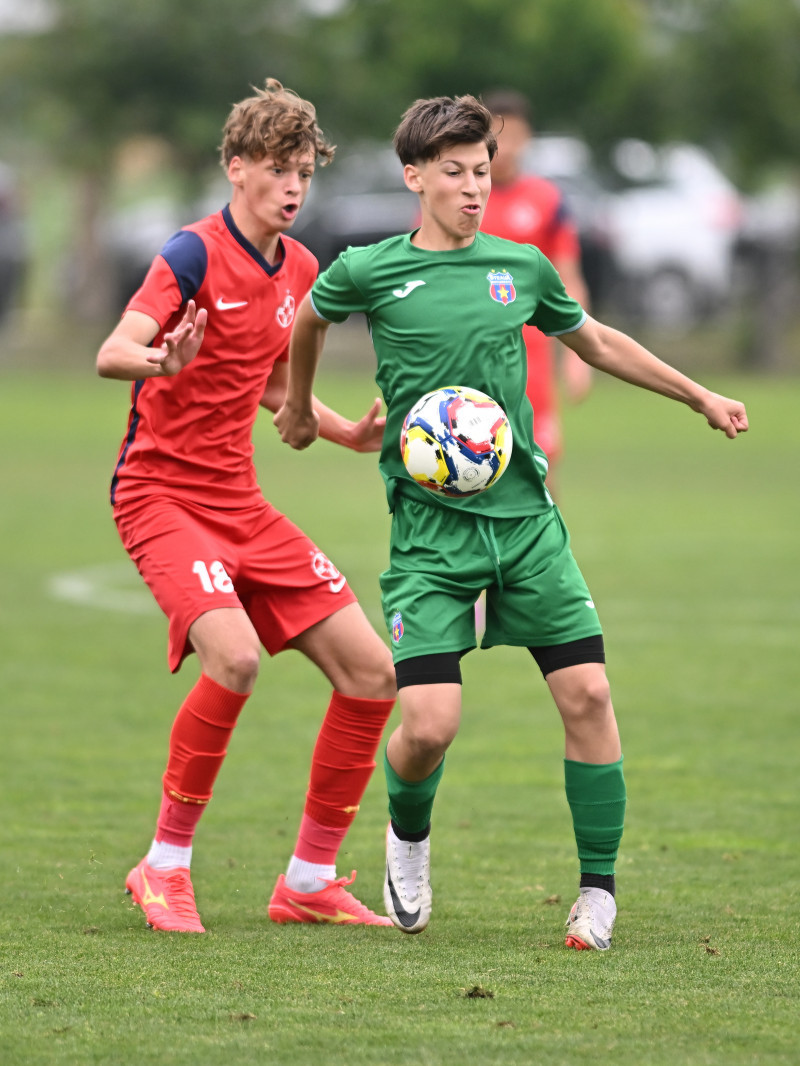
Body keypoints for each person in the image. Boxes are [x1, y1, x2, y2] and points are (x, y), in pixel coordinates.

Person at [274, 92, 748, 951]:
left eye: (482, 171)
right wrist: (304, 411)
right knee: (427, 726)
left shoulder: (521, 267)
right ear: (414, 176)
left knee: (590, 693)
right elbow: (308, 316)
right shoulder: (370, 269)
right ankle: (407, 843)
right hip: (429, 539)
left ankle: (597, 892)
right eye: (452, 172)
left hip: (528, 523)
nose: (471, 187)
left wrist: (700, 394)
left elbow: (596, 341)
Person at [96, 78, 398, 934]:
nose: (294, 186)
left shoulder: (300, 268)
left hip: (239, 499)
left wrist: (341, 430)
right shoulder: (190, 254)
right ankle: (162, 867)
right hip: (159, 495)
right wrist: (160, 363)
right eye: (277, 168)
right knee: (235, 659)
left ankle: (307, 880)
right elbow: (113, 350)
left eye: (305, 170)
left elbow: (264, 377)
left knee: (375, 674)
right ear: (237, 168)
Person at [480, 88, 592, 499]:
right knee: (469, 472)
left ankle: (540, 561)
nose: (507, 147)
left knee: (541, 473)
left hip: (531, 356)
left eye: (516, 136)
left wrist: (580, 355)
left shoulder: (547, 201)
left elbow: (569, 280)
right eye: (498, 136)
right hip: (469, 352)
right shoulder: (461, 196)